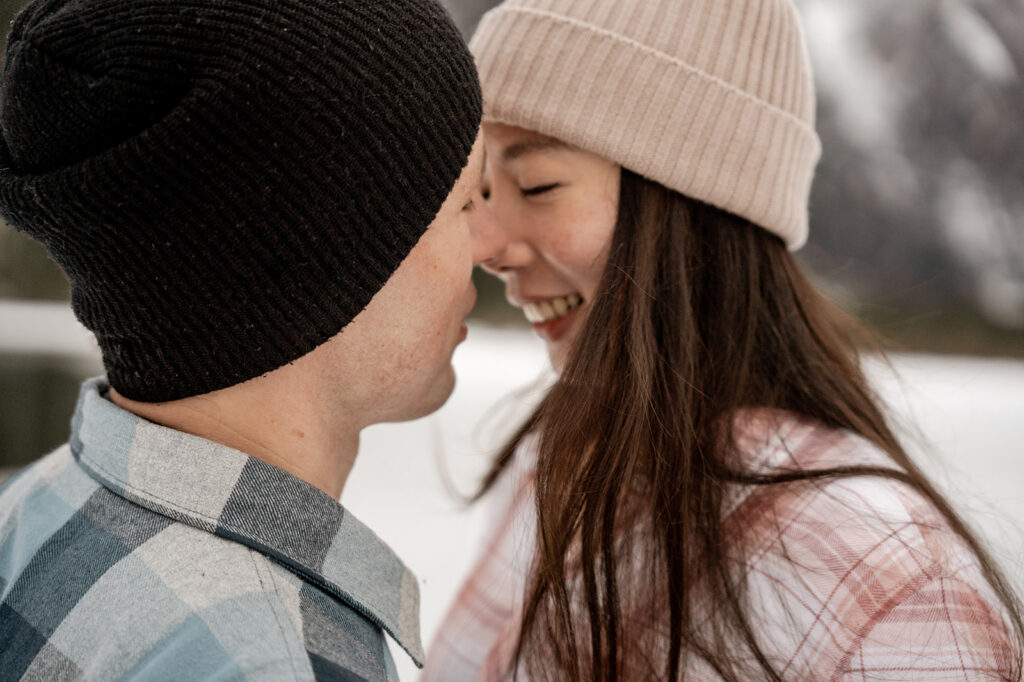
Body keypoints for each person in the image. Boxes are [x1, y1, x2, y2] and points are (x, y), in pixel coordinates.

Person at [426, 0, 1024, 679]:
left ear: (692, 201)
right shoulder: (562, 462)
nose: (482, 244)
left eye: (536, 185)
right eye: (479, 190)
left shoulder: (891, 585)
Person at [0, 0, 490, 678]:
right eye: (466, 204)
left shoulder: (36, 511)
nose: (489, 248)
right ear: (330, 256)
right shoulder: (272, 657)